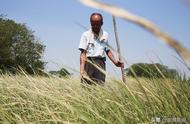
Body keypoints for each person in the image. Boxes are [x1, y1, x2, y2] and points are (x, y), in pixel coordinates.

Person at [78, 13, 124, 85]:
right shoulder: (85, 35)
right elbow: (83, 53)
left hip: (101, 63)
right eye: (93, 24)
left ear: (102, 23)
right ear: (90, 23)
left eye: (97, 24)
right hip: (88, 63)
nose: (95, 26)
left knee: (100, 86)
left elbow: (107, 50)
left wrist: (115, 62)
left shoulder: (105, 35)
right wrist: (82, 70)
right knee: (86, 86)